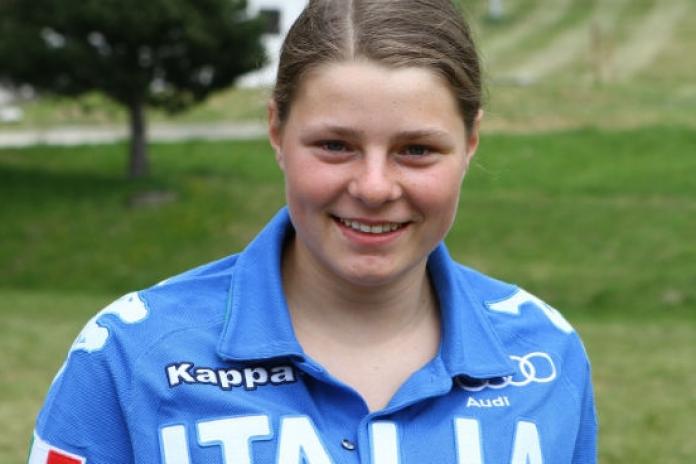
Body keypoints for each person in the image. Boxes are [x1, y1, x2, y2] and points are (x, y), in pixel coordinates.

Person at [29, 0, 597, 463]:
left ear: (470, 143)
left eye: (417, 150)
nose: (374, 187)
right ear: (276, 130)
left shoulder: (544, 355)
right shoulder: (129, 355)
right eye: (335, 145)